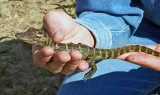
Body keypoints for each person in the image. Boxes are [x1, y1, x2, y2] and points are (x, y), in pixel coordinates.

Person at [32, 0, 160, 95]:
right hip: (147, 26)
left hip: (92, 54)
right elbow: (112, 8)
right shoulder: (54, 46)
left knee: (91, 65)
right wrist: (89, 32)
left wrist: (92, 70)